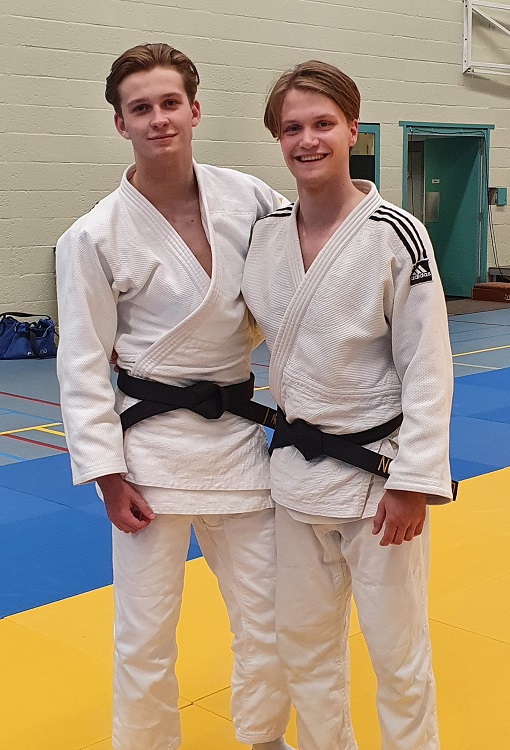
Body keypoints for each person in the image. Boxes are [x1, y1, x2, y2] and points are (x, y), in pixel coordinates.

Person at [55, 43, 293, 750]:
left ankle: (264, 736)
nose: (158, 119)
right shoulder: (92, 235)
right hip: (150, 454)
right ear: (120, 123)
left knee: (269, 614)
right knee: (145, 631)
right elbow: (81, 362)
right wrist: (106, 474)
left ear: (194, 110)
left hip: (239, 442)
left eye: (169, 103)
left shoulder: (250, 199)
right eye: (141, 108)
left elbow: (303, 274)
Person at [242, 60, 454, 750]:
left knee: (398, 656)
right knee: (304, 649)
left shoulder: (396, 234)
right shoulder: (267, 235)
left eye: (323, 124)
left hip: (377, 480)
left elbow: (427, 367)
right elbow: (236, 323)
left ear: (352, 130)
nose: (307, 140)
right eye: (292, 128)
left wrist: (414, 482)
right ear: (278, 138)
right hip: (294, 477)